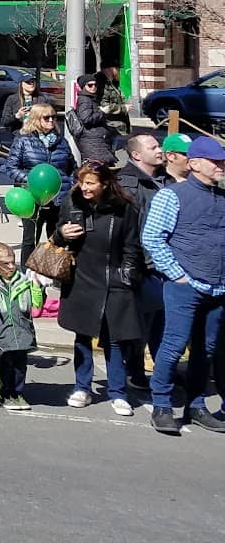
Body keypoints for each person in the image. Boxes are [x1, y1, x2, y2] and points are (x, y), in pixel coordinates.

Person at [140, 134, 225, 436]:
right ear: (195, 164)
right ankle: (162, 405)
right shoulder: (171, 195)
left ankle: (196, 406)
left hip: (218, 289)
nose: (221, 166)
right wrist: (177, 275)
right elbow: (152, 238)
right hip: (184, 286)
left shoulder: (222, 197)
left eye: (222, 161)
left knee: (207, 350)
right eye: (215, 161)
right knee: (174, 345)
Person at [55, 161, 143, 416]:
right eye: (81, 182)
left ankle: (118, 393)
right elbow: (55, 236)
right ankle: (82, 388)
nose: (84, 187)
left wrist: (126, 276)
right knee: (82, 336)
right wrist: (62, 233)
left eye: (90, 183)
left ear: (104, 184)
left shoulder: (124, 208)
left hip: (114, 279)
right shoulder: (71, 203)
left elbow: (132, 246)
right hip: (81, 278)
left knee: (115, 339)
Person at [116, 131, 175, 386]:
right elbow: (130, 228)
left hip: (166, 263)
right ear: (137, 155)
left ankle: (163, 372)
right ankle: (135, 371)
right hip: (143, 264)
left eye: (158, 145)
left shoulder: (165, 179)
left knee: (162, 320)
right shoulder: (128, 184)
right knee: (141, 322)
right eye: (153, 147)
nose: (160, 150)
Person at [3, 102, 74, 267]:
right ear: (35, 119)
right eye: (46, 117)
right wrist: (32, 181)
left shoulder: (61, 141)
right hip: (31, 198)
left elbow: (71, 168)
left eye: (54, 117)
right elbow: (11, 168)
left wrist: (70, 185)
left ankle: (54, 272)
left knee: (57, 238)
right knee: (30, 239)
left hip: (57, 197)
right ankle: (27, 273)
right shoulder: (23, 141)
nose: (51, 120)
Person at [0, 240, 42, 411]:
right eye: (6, 263)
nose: (11, 266)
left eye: (13, 262)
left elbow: (36, 308)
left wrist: (36, 287)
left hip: (22, 332)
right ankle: (5, 393)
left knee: (20, 367)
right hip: (1, 334)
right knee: (5, 366)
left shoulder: (24, 280)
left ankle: (17, 393)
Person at [67, 73, 118, 166]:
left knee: (100, 167)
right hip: (92, 140)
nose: (93, 87)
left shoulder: (90, 98)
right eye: (90, 85)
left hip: (95, 140)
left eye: (95, 85)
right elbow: (86, 118)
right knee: (96, 168)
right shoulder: (85, 99)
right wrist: (102, 112)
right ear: (83, 87)